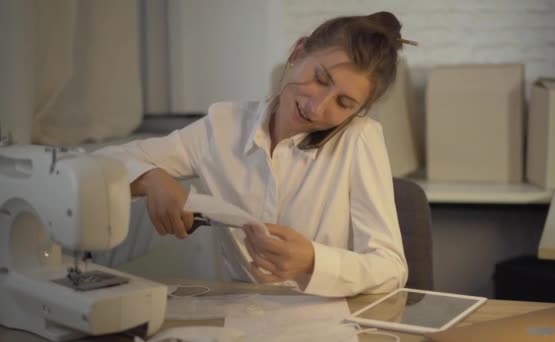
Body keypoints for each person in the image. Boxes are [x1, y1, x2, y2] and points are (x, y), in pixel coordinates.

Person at [96, 11, 417, 297]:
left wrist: (313, 260)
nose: (317, 107)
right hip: (241, 319)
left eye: (344, 104)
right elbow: (99, 162)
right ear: (297, 53)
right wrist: (150, 178)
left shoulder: (359, 138)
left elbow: (390, 268)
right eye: (320, 79)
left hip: (325, 323)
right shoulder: (223, 126)